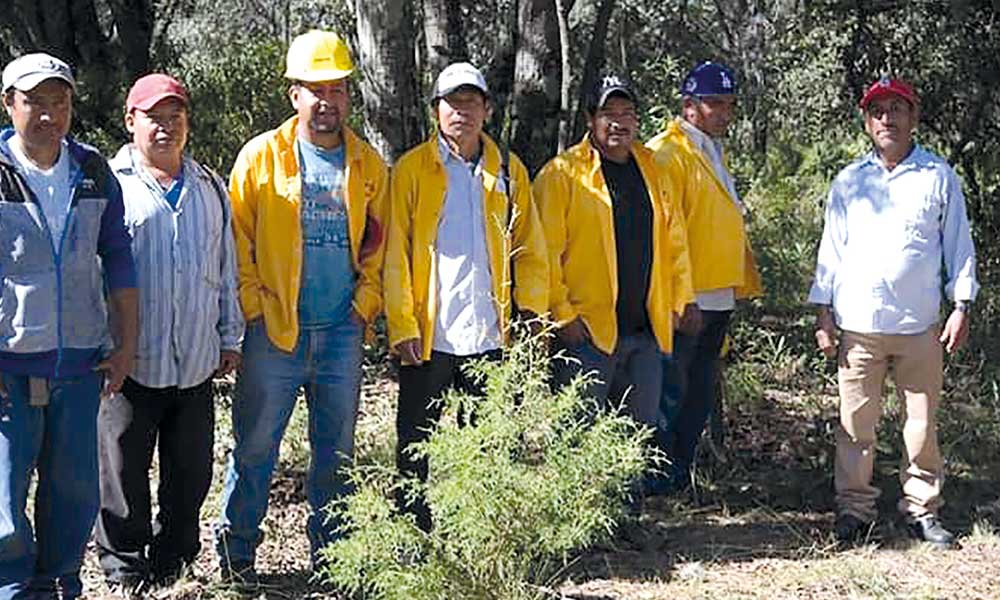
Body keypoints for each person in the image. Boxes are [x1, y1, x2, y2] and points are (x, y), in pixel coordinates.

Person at [215, 30, 388, 579]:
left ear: (347, 96)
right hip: (276, 332)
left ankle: (332, 562)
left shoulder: (367, 164)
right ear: (294, 94)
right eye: (314, 89)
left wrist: (365, 306)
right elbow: (236, 242)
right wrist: (254, 308)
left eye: (336, 89)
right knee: (255, 447)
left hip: (341, 331)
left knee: (336, 455)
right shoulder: (259, 158)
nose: (326, 101)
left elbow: (379, 245)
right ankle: (236, 554)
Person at [809, 77, 978, 548]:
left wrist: (961, 304)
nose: (888, 118)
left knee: (921, 422)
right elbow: (831, 250)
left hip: (920, 325)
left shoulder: (938, 176)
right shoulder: (849, 180)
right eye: (878, 111)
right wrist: (822, 310)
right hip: (859, 326)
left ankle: (922, 510)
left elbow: (958, 247)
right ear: (867, 122)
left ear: (913, 117)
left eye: (897, 109)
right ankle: (854, 510)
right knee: (855, 425)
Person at [383, 62, 549, 531]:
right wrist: (401, 324)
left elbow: (531, 249)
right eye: (452, 103)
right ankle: (413, 537)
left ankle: (479, 535)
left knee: (489, 446)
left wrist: (534, 314)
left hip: (491, 339)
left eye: (471, 102)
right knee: (417, 448)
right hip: (429, 338)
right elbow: (395, 252)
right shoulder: (412, 169)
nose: (462, 112)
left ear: (488, 110)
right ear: (436, 111)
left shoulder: (509, 171)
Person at [96, 73, 244, 594]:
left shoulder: (209, 187)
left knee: (190, 474)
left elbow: (225, 267)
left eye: (174, 115)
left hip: (196, 361)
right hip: (131, 363)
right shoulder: (109, 185)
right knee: (121, 475)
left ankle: (175, 561)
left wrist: (231, 336)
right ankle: (123, 568)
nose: (165, 126)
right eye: (154, 116)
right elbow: (93, 273)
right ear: (131, 120)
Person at [0, 52, 138, 599]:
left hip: (80, 365)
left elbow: (119, 257)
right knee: (5, 496)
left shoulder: (92, 170)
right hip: (8, 368)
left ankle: (59, 582)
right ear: (9, 104)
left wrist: (125, 346)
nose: (49, 115)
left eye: (59, 102)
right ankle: (12, 589)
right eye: (34, 102)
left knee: (74, 490)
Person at [533, 75, 692, 432]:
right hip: (587, 336)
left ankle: (631, 492)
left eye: (627, 112)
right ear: (590, 119)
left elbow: (675, 242)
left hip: (645, 333)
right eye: (609, 113)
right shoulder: (561, 175)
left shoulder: (654, 169)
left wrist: (682, 300)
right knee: (578, 442)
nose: (619, 122)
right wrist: (563, 316)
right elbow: (542, 255)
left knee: (634, 443)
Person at [646, 61, 761, 493]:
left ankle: (680, 478)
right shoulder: (667, 153)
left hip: (718, 298)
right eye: (715, 103)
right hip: (688, 302)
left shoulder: (710, 148)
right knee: (670, 394)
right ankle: (658, 483)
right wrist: (682, 298)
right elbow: (664, 234)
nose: (725, 112)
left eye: (729, 104)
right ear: (689, 104)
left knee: (696, 394)